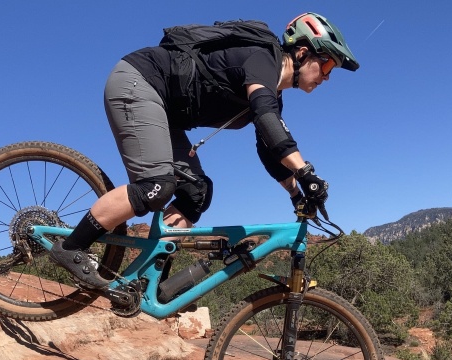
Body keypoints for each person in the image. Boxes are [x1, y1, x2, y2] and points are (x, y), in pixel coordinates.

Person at [50, 12, 359, 289]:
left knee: (196, 192)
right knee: (155, 187)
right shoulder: (263, 58)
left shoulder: (271, 93)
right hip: (138, 82)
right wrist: (306, 172)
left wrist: (296, 193)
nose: (328, 76)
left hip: (164, 113)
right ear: (303, 53)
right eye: (328, 63)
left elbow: (269, 149)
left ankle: (147, 282)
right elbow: (267, 120)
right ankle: (70, 247)